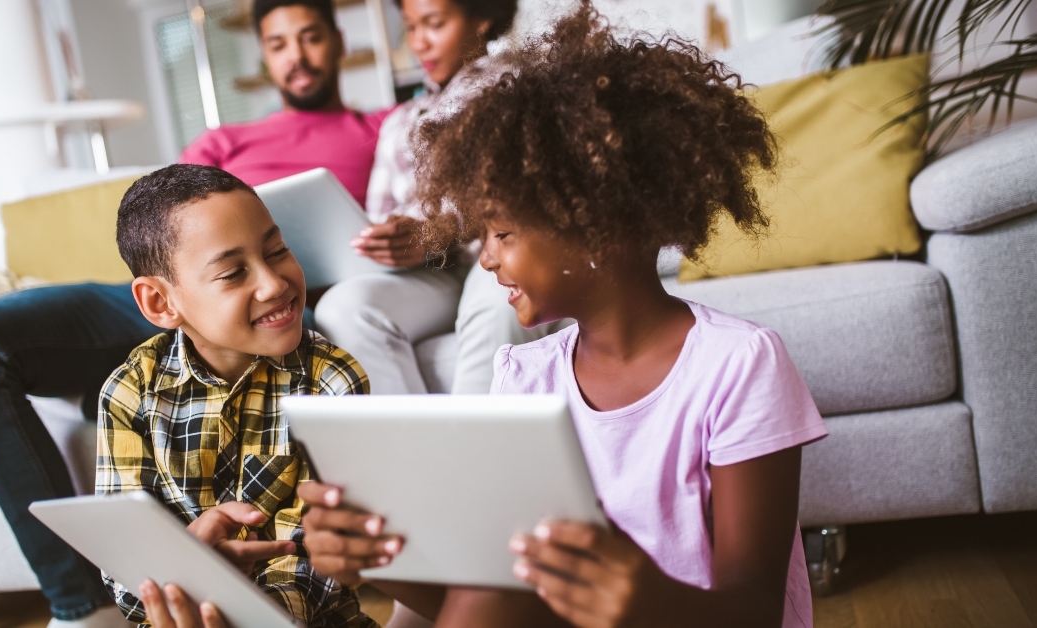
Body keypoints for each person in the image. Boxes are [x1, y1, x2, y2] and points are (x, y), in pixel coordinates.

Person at [297, 4, 827, 627]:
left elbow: (756, 609)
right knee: (489, 593)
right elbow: (484, 601)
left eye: (501, 232)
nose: (487, 258)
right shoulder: (524, 375)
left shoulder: (737, 365)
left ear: (598, 225)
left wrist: (644, 601)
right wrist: (381, 558)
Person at [0, 1, 387, 625]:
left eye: (310, 37)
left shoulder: (377, 130)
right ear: (262, 54)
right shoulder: (228, 140)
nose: (296, 54)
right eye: (278, 42)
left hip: (257, 300)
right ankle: (81, 610)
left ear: (336, 41)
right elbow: (164, 211)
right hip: (179, 285)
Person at [98, 164, 374, 626]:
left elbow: (323, 557)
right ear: (160, 303)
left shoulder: (333, 381)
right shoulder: (129, 393)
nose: (273, 284)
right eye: (232, 273)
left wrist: (242, 609)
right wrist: (187, 576)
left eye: (278, 251)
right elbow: (125, 561)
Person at [314, 0, 571, 396]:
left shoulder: (518, 88)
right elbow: (382, 214)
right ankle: (411, 452)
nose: (420, 43)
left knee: (497, 293)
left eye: (434, 24)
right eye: (411, 27)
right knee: (342, 307)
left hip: (494, 254)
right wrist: (386, 239)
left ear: (482, 18)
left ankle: (469, 447)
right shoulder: (401, 121)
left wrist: (437, 232)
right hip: (431, 273)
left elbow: (523, 195)